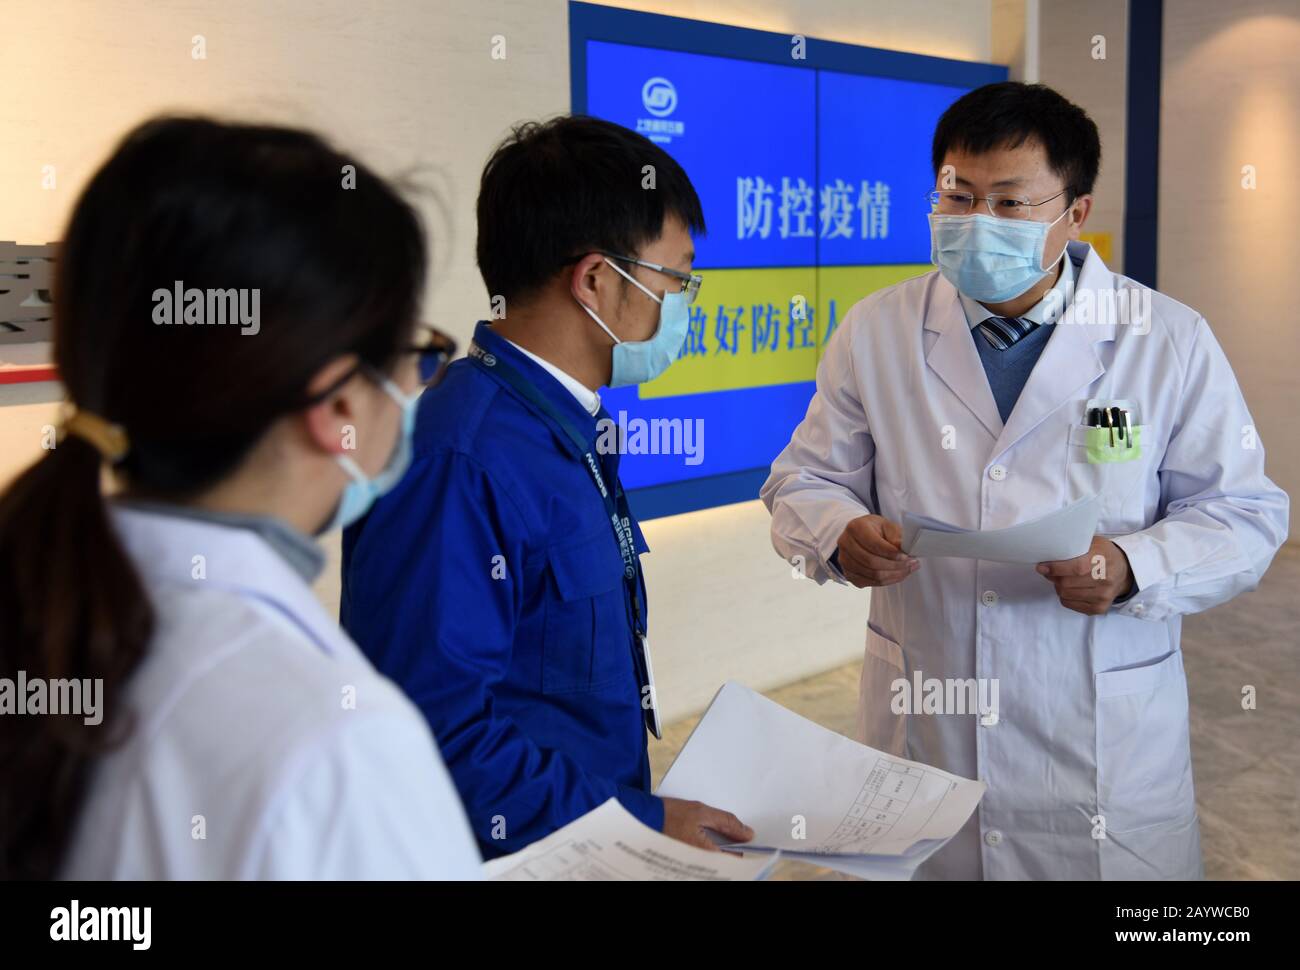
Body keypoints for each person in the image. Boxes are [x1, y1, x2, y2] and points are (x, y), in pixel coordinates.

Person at [761, 82, 1288, 880]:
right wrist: (839, 534)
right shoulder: (878, 329)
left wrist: (1132, 566)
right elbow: (803, 478)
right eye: (958, 196)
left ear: (1074, 213)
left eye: (1010, 204)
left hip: (1101, 753)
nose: (978, 224)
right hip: (928, 733)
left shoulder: (1167, 340)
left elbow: (1246, 514)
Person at [0, 117, 481, 879]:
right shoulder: (338, 743)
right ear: (339, 410)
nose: (420, 387)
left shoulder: (43, 607)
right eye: (416, 356)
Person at [341, 116, 752, 858]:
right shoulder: (458, 456)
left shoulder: (562, 422)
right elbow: (434, 734)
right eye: (676, 278)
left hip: (590, 844)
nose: (683, 304)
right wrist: (643, 823)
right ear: (598, 279)